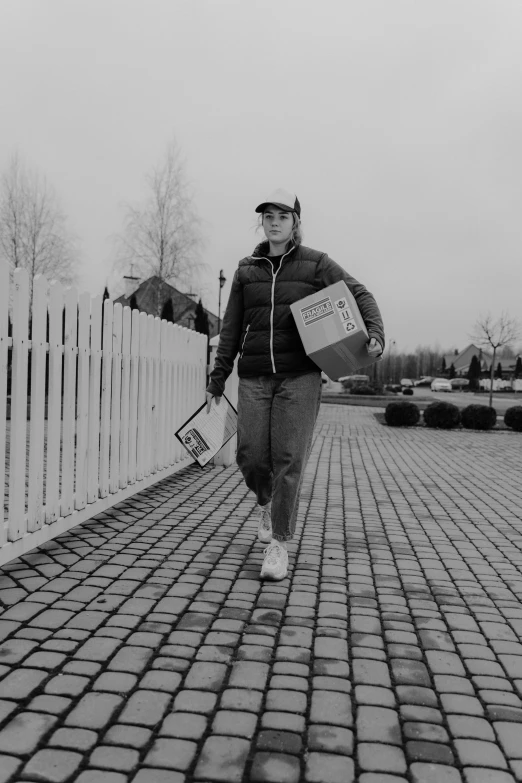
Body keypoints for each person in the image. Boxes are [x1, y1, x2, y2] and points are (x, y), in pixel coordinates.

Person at [206, 188, 385, 581]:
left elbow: (360, 293)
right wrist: (217, 378)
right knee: (251, 456)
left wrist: (374, 331)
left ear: (295, 224)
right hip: (254, 376)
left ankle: (279, 545)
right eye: (268, 215)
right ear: (262, 222)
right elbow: (231, 328)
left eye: (282, 216)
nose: (274, 222)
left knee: (289, 459)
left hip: (300, 377)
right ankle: (265, 501)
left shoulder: (316, 264)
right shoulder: (245, 270)